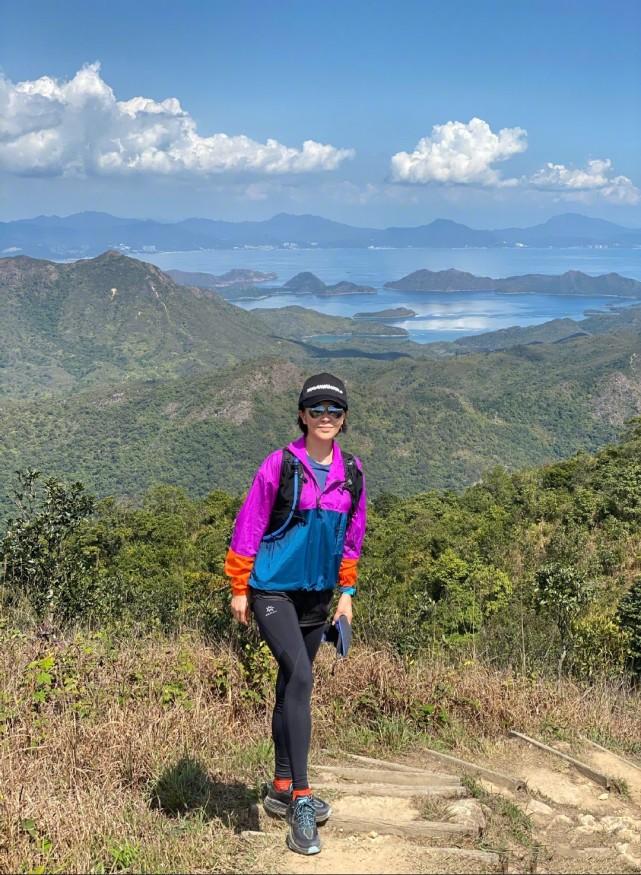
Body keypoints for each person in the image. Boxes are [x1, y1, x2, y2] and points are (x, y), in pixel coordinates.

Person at [224, 372, 367, 856]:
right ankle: (302, 801)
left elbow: (352, 537)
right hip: (271, 588)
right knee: (301, 678)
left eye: (335, 410)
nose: (326, 417)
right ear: (303, 415)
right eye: (317, 409)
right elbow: (249, 523)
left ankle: (281, 786)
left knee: (290, 685)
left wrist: (345, 593)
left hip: (317, 595)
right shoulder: (280, 465)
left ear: (344, 418)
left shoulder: (352, 472)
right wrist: (239, 586)